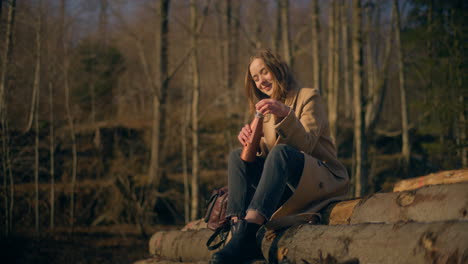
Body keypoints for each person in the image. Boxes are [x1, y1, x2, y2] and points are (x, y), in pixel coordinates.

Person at [209, 49, 349, 264]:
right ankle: (237, 230)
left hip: (321, 180)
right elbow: (267, 154)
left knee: (281, 153)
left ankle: (249, 231)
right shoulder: (265, 111)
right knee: (237, 156)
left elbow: (307, 144)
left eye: (264, 73)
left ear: (278, 69)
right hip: (288, 184)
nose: (261, 81)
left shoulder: (309, 97)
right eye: (255, 78)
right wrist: (251, 143)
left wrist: (286, 115)